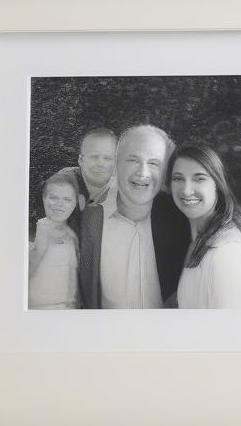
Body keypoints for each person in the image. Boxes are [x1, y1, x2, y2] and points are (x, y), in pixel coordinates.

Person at [77, 124, 191, 309]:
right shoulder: (88, 218)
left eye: (154, 163)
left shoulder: (183, 221)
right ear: (115, 163)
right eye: (133, 160)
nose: (143, 173)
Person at [168, 144, 241, 309]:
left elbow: (230, 331)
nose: (186, 190)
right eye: (178, 178)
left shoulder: (223, 254)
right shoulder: (201, 238)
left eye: (199, 178)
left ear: (217, 184)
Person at [28, 171, 80, 309]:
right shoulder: (34, 231)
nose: (59, 204)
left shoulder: (72, 236)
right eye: (53, 197)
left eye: (67, 199)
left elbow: (73, 283)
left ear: (77, 202)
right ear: (44, 198)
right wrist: (39, 249)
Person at [59, 127, 118, 210]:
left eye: (107, 158)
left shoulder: (123, 188)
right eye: (94, 157)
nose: (100, 164)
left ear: (116, 163)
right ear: (81, 161)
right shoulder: (65, 180)